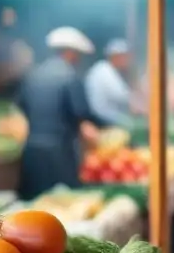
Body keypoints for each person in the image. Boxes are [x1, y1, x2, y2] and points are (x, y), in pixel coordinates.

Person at [17, 27, 102, 200]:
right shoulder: (70, 77)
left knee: (33, 205)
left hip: (32, 151)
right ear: (70, 53)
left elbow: (22, 107)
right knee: (63, 204)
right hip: (60, 153)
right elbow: (82, 117)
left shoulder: (33, 74)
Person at [85, 38, 135, 127]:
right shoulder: (104, 70)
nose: (128, 60)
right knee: (134, 126)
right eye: (125, 56)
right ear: (116, 57)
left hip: (107, 115)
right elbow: (122, 96)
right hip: (103, 118)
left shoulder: (109, 69)